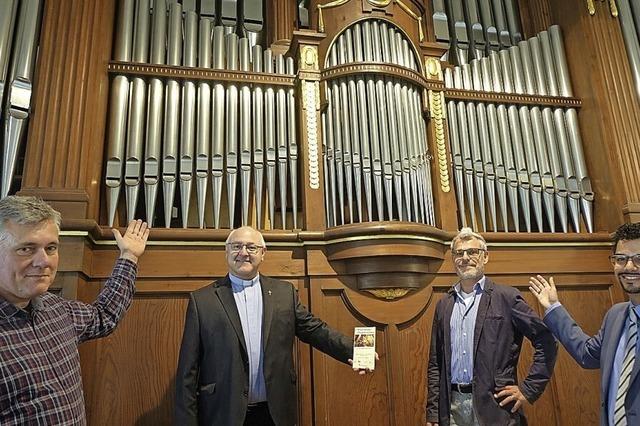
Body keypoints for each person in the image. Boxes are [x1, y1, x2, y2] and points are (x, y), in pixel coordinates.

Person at [175, 226, 372, 426]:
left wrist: (357, 349)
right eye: (236, 246)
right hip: (223, 413)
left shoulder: (284, 293)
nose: (243, 253)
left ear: (263, 253)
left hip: (275, 413)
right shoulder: (202, 301)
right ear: (226, 252)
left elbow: (316, 330)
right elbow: (187, 373)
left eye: (251, 247)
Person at [0, 196, 149, 424]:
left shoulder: (57, 309)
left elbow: (104, 316)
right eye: (26, 249)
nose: (44, 261)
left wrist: (128, 257)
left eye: (51, 248)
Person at [426, 228, 557, 426]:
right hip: (451, 408)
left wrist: (528, 389)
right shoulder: (444, 304)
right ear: (453, 259)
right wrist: (433, 412)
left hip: (495, 408)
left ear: (485, 256)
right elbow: (436, 363)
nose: (465, 257)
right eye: (459, 253)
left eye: (472, 252)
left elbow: (546, 340)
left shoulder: (507, 297)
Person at [529, 222, 640, 426]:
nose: (629, 267)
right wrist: (554, 307)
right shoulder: (616, 315)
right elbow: (587, 355)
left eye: (638, 259)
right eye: (621, 259)